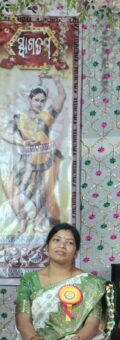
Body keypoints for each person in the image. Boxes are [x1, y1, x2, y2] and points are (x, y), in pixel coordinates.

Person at [0, 223, 108, 340]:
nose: (62, 245)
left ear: (76, 251)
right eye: (56, 240)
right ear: (46, 247)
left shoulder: (91, 284)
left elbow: (92, 323)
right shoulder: (29, 280)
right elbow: (23, 320)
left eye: (69, 242)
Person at [2, 73, 67, 235]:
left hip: (46, 160)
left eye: (42, 101)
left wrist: (56, 80)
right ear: (30, 99)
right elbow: (4, 131)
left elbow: (61, 97)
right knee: (10, 185)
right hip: (26, 161)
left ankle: (42, 223)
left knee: (43, 193)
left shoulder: (47, 115)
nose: (40, 103)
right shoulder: (19, 118)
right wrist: (20, 141)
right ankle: (22, 218)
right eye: (36, 100)